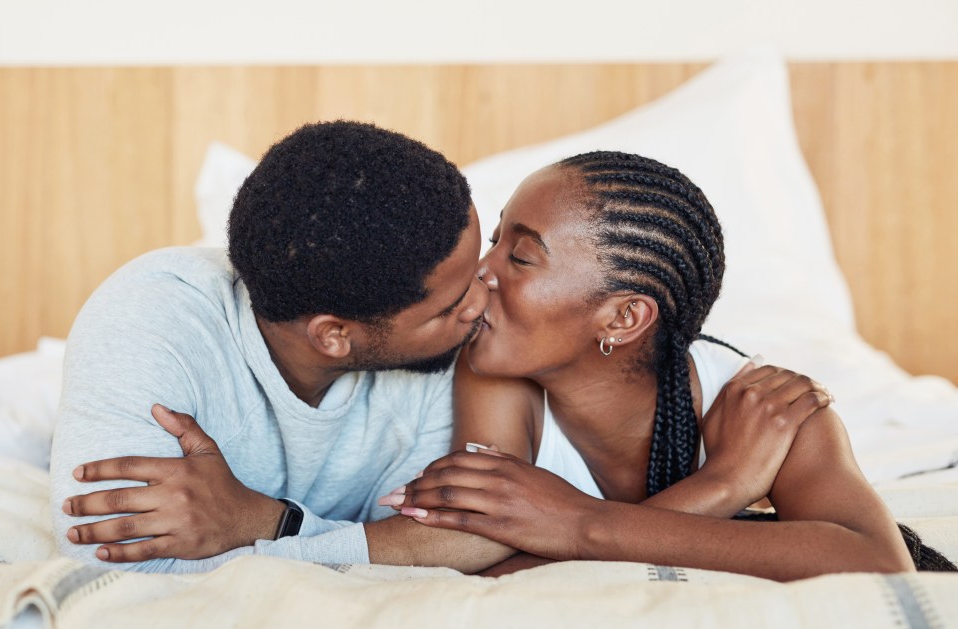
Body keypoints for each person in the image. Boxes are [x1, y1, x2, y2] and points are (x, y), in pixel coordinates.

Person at [54, 123, 830, 575]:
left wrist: (261, 523)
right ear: (338, 335)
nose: (486, 295)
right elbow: (118, 566)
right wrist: (721, 491)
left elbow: (481, 542)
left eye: (506, 256)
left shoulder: (484, 362)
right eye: (455, 297)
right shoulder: (154, 326)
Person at [382, 151, 919, 580]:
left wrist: (579, 524)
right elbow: (490, 567)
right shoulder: (497, 376)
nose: (480, 272)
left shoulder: (764, 410)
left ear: (623, 317)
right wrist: (722, 487)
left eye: (519, 257)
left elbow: (878, 564)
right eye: (497, 240)